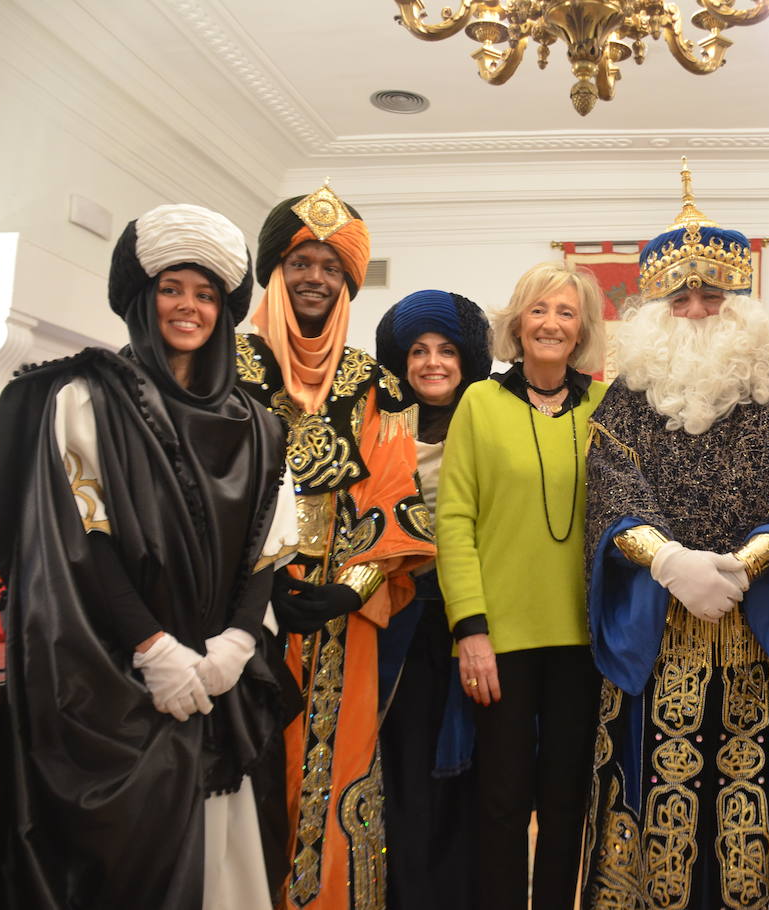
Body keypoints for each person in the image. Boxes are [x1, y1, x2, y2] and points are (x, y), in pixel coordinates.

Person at [0, 203, 298, 910]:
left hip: (222, 677)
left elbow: (268, 551)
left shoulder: (261, 427)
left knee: (231, 859)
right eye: (172, 287)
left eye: (206, 293)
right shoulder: (86, 400)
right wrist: (157, 651)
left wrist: (235, 646)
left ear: (225, 309)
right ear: (142, 296)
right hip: (120, 680)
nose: (189, 306)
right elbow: (79, 544)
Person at [583, 161, 769, 909]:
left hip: (763, 626)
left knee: (763, 791)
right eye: (681, 295)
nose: (697, 308)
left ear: (738, 299)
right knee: (654, 785)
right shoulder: (625, 396)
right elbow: (612, 492)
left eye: (711, 293)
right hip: (662, 627)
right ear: (655, 305)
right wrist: (668, 562)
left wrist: (738, 566)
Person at [235, 183, 435, 910]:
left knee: (332, 772)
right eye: (300, 261)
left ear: (347, 281)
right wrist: (258, 587)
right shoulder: (224, 369)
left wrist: (345, 589)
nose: (315, 276)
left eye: (329, 264)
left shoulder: (375, 385)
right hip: (232, 614)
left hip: (341, 619)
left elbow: (397, 498)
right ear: (275, 273)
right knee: (241, 772)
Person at [435, 261, 607, 910]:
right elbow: (454, 520)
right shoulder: (479, 401)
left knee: (567, 801)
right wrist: (470, 629)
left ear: (583, 328)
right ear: (518, 321)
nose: (552, 324)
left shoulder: (603, 405)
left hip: (585, 638)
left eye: (566, 313)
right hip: (499, 637)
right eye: (539, 310)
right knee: (503, 800)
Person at [373, 289, 492, 910]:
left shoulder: (491, 423)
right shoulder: (379, 429)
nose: (432, 362)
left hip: (479, 620)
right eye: (418, 351)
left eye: (446, 350)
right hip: (400, 622)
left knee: (474, 778)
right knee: (408, 773)